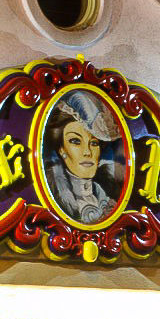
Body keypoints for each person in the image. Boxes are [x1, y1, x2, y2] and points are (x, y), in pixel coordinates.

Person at [43, 91, 123, 224]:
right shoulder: (57, 198)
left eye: (94, 143)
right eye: (75, 141)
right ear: (61, 149)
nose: (87, 152)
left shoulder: (106, 198)